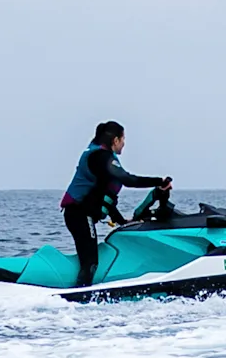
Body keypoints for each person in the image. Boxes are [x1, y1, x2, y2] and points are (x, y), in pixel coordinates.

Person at [59, 121, 170, 288]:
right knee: (90, 262)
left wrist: (121, 221)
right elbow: (128, 179)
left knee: (90, 260)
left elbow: (104, 199)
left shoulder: (100, 157)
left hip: (79, 214)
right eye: (123, 139)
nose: (124, 143)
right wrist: (159, 181)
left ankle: (82, 290)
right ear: (116, 140)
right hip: (79, 215)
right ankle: (78, 297)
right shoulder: (100, 157)